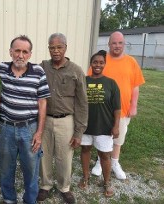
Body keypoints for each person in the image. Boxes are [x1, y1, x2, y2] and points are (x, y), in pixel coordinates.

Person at [0, 35, 50, 204]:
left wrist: (39, 133)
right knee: (5, 168)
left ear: (30, 54)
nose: (20, 55)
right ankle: (9, 199)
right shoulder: (0, 69)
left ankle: (29, 200)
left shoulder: (38, 72)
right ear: (10, 51)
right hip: (5, 129)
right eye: (17, 50)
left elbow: (42, 103)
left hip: (29, 129)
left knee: (31, 169)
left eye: (25, 52)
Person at [37, 33, 88, 204]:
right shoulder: (42, 67)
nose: (56, 51)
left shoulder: (76, 70)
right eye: (52, 47)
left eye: (59, 47)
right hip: (44, 119)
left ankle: (64, 187)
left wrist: (79, 132)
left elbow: (82, 103)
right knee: (44, 154)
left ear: (66, 48)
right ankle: (45, 185)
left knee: (64, 156)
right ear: (48, 49)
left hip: (66, 120)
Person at [89, 31, 145, 180]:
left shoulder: (131, 62)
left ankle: (115, 163)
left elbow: (135, 86)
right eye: (114, 43)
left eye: (120, 43)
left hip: (122, 109)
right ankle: (100, 162)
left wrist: (134, 105)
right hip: (101, 110)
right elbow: (91, 80)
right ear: (109, 44)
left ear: (124, 44)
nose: (117, 46)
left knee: (118, 138)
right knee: (102, 135)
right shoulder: (101, 60)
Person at [78, 50, 121, 197]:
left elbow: (117, 108)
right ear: (91, 64)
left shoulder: (111, 83)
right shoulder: (84, 80)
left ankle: (107, 182)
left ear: (104, 64)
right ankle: (85, 177)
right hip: (85, 125)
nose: (98, 65)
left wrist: (116, 126)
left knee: (104, 155)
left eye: (101, 62)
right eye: (95, 62)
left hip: (104, 126)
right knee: (85, 150)